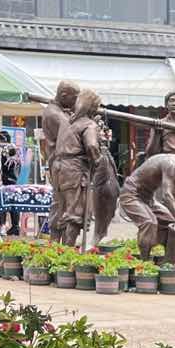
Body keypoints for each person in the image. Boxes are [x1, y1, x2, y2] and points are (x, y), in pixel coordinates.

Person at [50, 90, 102, 247]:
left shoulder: (66, 121)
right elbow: (91, 146)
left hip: (59, 168)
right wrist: (97, 160)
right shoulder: (88, 125)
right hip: (74, 170)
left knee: (60, 208)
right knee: (75, 211)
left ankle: (54, 248)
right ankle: (67, 251)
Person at [42, 81, 80, 241]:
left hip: (63, 165)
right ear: (64, 96)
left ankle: (61, 245)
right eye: (74, 98)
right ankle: (56, 245)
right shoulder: (54, 114)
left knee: (64, 205)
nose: (76, 101)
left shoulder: (60, 112)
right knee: (61, 204)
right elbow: (73, 137)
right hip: (61, 165)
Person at [90, 119, 120, 246]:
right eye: (100, 130)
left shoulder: (105, 150)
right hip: (101, 188)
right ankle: (97, 236)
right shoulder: (95, 149)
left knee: (110, 212)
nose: (103, 133)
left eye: (104, 130)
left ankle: (102, 234)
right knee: (101, 213)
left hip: (112, 188)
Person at [144, 91, 175, 159]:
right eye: (171, 101)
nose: (174, 104)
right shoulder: (159, 124)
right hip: (166, 160)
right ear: (166, 104)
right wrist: (157, 133)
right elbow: (151, 152)